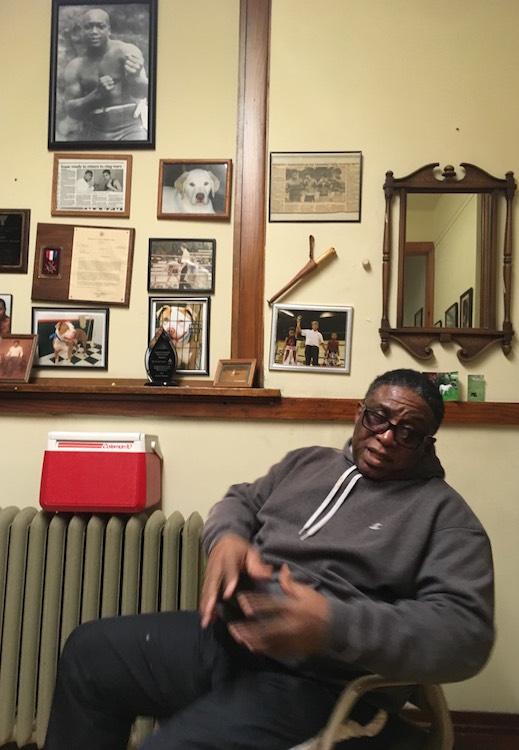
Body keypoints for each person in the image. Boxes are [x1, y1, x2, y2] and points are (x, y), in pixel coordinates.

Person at [44, 369, 494, 750]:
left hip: (317, 681)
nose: (387, 437)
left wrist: (333, 624)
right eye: (378, 418)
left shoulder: (445, 516)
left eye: (408, 432)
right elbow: (241, 499)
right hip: (228, 641)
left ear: (427, 443)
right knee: (89, 654)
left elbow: (466, 632)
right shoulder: (308, 463)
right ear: (360, 413)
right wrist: (226, 539)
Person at [62, 8, 149, 141]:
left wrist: (135, 77)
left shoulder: (125, 51)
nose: (94, 32)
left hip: (130, 127)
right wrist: (95, 95)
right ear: (81, 31)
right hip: (95, 130)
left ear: (109, 30)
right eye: (88, 27)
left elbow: (144, 92)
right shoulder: (75, 66)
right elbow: (71, 110)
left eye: (100, 26)